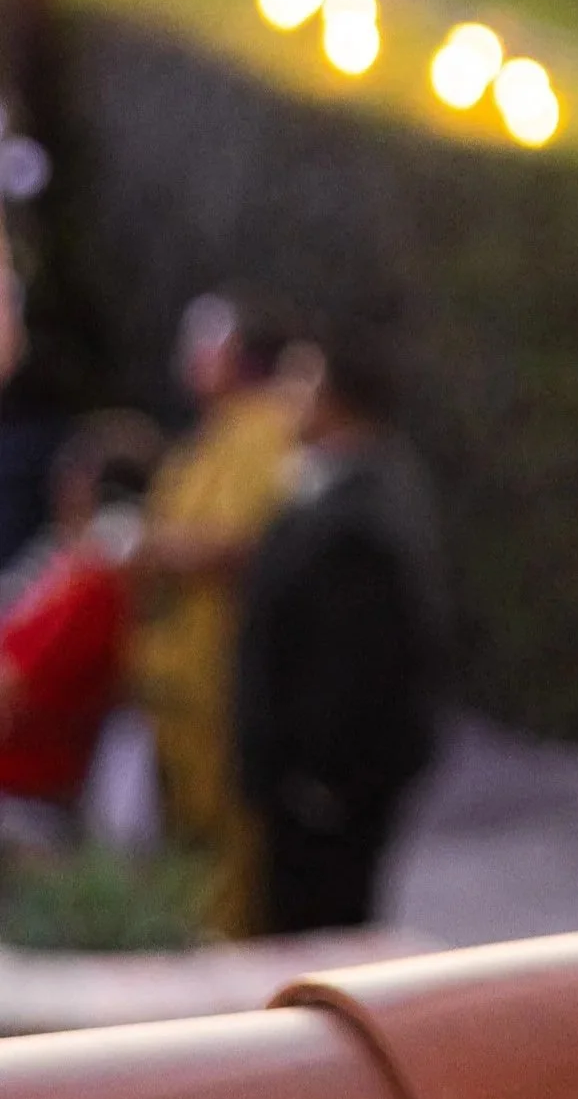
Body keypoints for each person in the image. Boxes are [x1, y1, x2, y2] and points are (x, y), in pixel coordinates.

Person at [233, 328, 447, 937]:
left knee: (315, 943)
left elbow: (363, 662)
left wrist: (319, 783)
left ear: (337, 398)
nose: (286, 397)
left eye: (301, 381)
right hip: (302, 792)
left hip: (326, 801)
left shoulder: (362, 516)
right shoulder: (330, 488)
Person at [130, 289, 306, 938]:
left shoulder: (262, 432)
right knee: (185, 837)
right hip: (180, 684)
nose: (190, 359)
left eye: (204, 345)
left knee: (228, 840)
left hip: (223, 677)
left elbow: (246, 542)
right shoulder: (211, 434)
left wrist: (157, 550)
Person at [0, 411, 162, 826]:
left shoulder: (92, 585)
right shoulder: (66, 565)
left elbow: (10, 688)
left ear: (83, 486)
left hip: (25, 797)